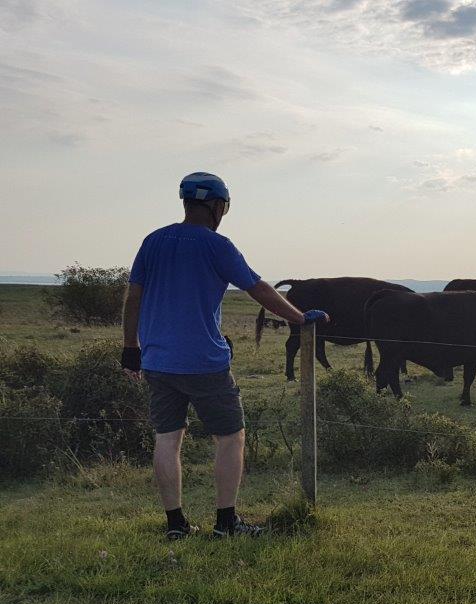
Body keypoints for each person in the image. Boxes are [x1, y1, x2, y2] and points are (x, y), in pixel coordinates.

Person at [122, 172, 328, 540]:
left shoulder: (152, 241)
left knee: (167, 439)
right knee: (230, 437)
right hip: (204, 363)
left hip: (156, 362)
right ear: (217, 206)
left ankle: (176, 525)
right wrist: (299, 318)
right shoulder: (217, 246)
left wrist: (130, 349)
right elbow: (259, 289)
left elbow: (133, 297)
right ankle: (226, 522)